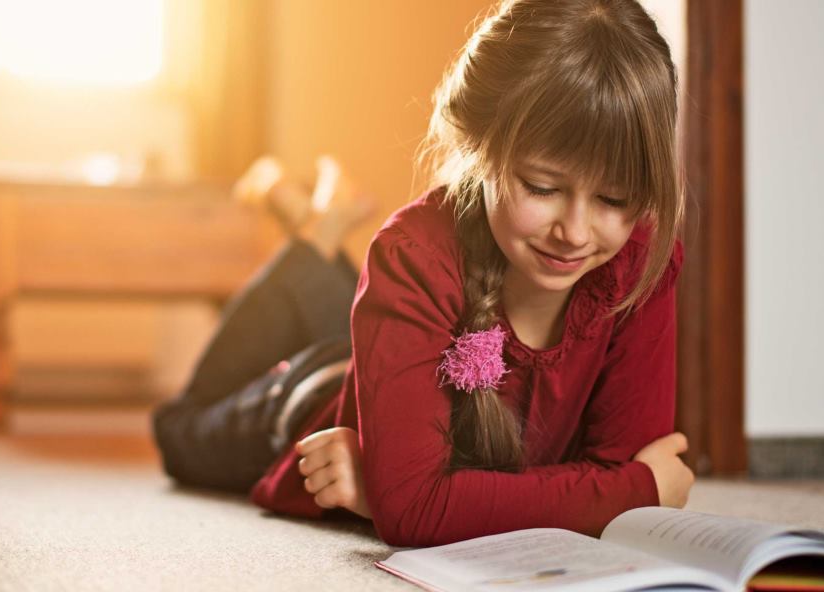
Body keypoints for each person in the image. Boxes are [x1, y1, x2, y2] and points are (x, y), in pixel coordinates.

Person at [153, 0, 695, 548]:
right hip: (307, 396)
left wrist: (404, 493)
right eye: (543, 188)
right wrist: (632, 493)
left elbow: (623, 466)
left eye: (613, 198)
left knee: (354, 325)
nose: (575, 232)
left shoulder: (641, 262)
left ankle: (318, 229)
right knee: (178, 434)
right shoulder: (411, 255)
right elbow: (417, 511)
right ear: (476, 148)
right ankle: (313, 241)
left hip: (392, 344)